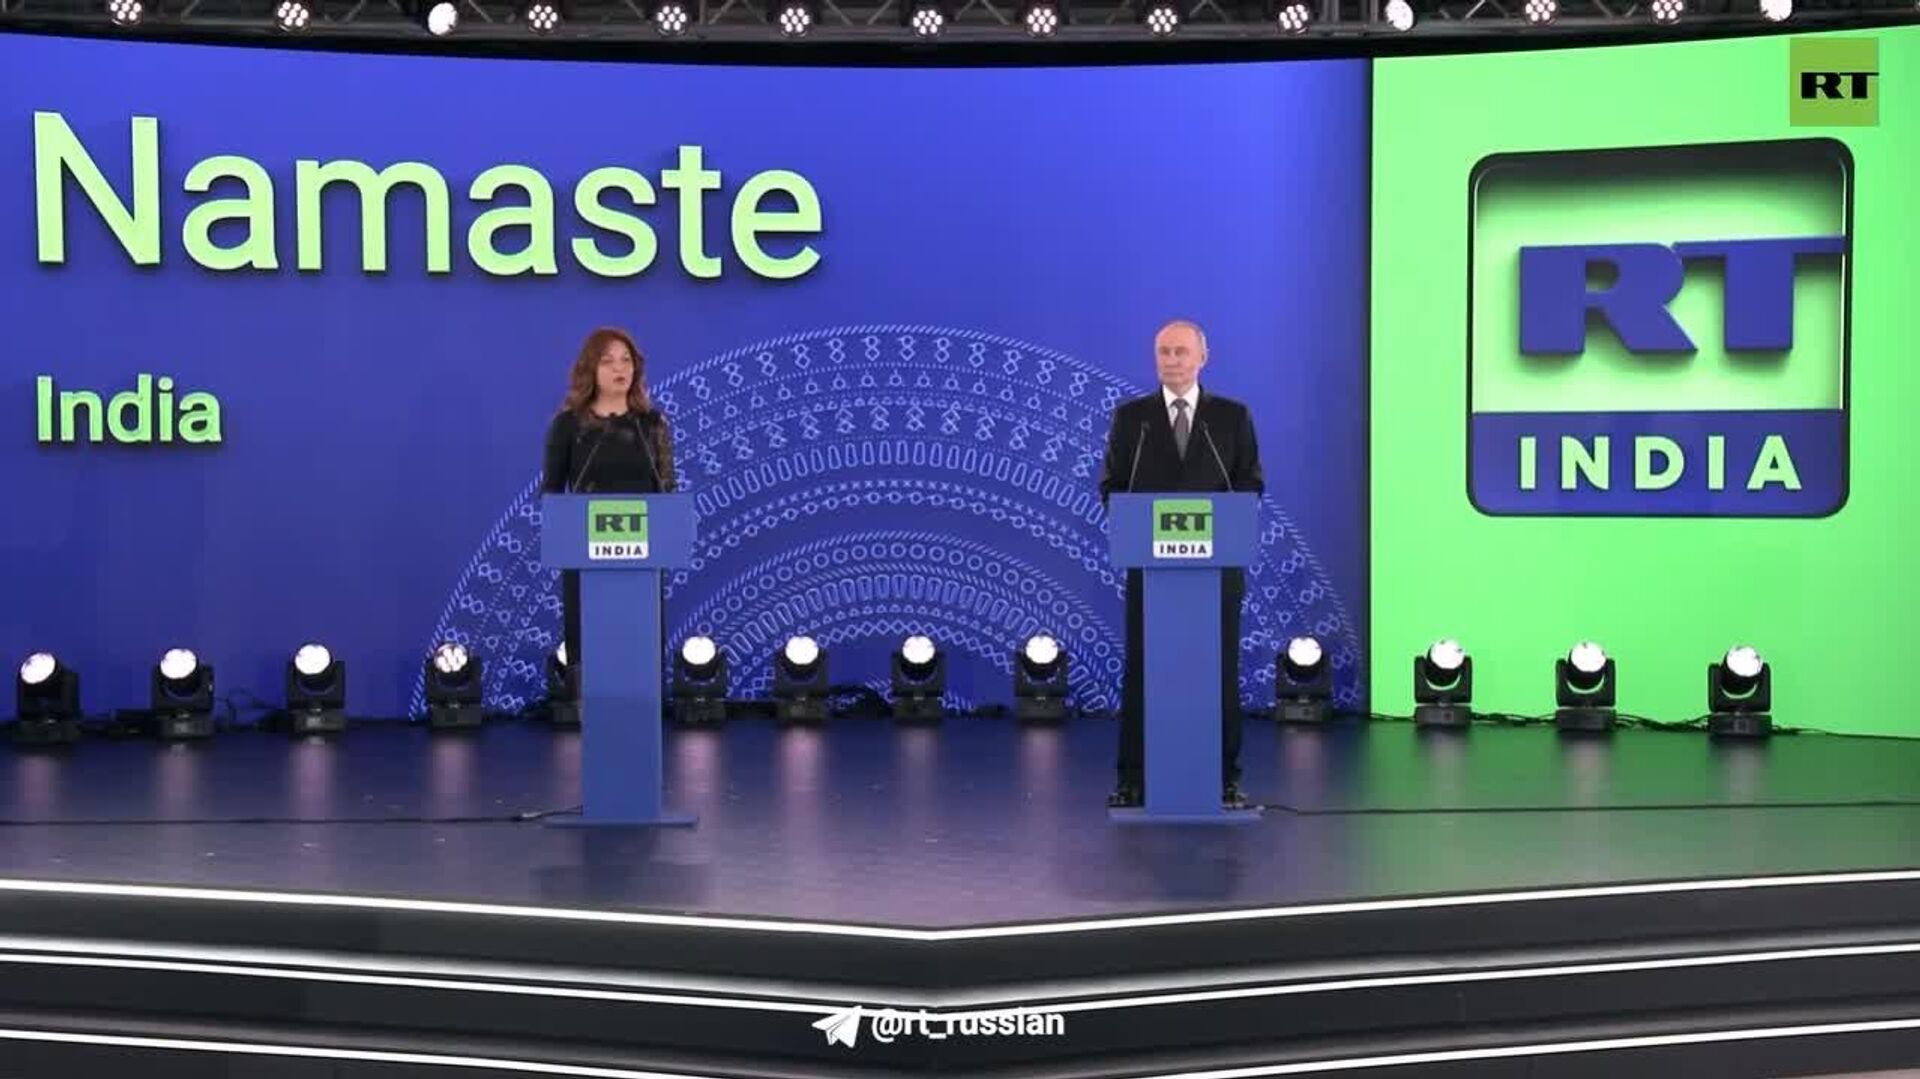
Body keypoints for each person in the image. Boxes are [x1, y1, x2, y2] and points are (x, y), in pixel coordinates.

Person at [1097, 319, 1265, 810]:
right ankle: (1133, 779)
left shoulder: (1231, 418)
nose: (1171, 360)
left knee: (1219, 671)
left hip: (1216, 572)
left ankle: (1224, 778)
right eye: (1164, 352)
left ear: (1202, 358)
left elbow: (1250, 484)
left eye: (1181, 352)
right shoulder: (1133, 419)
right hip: (1152, 572)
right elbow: (1111, 487)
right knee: (1143, 670)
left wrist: (1217, 519)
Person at [542, 327, 679, 668]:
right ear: (590, 369)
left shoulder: (651, 424)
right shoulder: (568, 425)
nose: (620, 368)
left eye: (626, 360)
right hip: (585, 558)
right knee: (592, 656)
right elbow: (552, 494)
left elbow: (668, 492)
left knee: (637, 654)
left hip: (641, 560)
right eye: (608, 361)